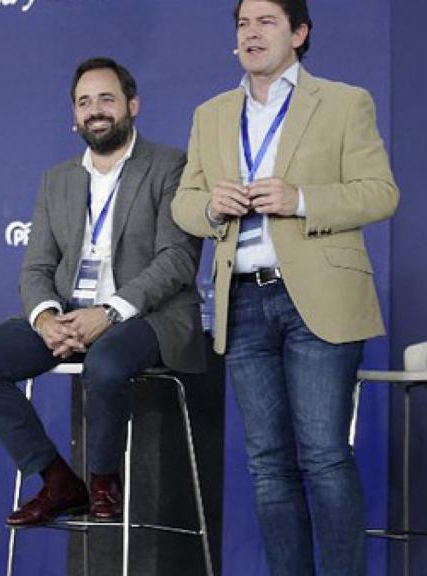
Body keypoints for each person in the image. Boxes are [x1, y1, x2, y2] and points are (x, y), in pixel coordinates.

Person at [170, 1, 399, 573]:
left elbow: (380, 192)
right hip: (242, 301)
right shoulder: (212, 114)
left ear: (299, 34)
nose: (251, 33)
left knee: (323, 456)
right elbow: (184, 204)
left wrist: (300, 200)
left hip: (319, 300)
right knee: (268, 464)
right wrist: (211, 207)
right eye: (243, 24)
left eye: (266, 22)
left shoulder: (345, 102)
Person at [0, 58, 205, 527]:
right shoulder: (57, 179)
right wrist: (47, 318)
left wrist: (109, 313)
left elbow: (176, 259)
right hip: (71, 313)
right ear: (74, 116)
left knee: (105, 362)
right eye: (84, 102)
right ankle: (57, 480)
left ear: (133, 105)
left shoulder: (169, 166)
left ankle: (104, 480)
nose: (95, 111)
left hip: (146, 316)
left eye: (106, 99)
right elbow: (37, 267)